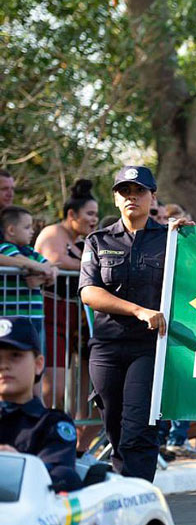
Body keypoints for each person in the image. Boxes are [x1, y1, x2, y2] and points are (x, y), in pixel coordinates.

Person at [79, 165, 182, 482]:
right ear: (115, 198)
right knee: (115, 430)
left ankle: (136, 499)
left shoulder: (172, 239)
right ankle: (124, 496)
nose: (132, 197)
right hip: (107, 348)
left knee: (138, 428)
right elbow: (89, 292)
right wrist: (137, 310)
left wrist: (195, 238)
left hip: (149, 349)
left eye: (139, 191)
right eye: (125, 192)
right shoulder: (98, 241)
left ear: (153, 198)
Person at [35, 179, 99, 417]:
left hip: (77, 317)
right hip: (51, 312)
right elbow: (56, 260)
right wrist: (90, 265)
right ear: (72, 214)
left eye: (96, 215)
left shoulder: (83, 240)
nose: (94, 219)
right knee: (54, 388)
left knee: (84, 386)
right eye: (89, 214)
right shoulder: (53, 232)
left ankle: (77, 446)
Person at [0, 317, 81, 491]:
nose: (4, 365)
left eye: (15, 355)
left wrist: (19, 465)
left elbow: (64, 476)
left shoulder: (51, 424)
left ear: (38, 364)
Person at [0, 207, 58, 337]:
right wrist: (40, 269)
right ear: (11, 230)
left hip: (35, 316)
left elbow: (49, 265)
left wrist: (48, 273)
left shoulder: (30, 251)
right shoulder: (5, 248)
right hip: (11, 318)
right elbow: (20, 260)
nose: (32, 231)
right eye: (27, 227)